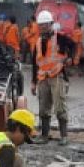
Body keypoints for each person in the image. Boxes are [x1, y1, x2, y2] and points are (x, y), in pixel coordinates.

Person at [33, 10, 75, 143]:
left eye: (45, 25)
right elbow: (35, 64)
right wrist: (33, 82)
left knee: (60, 106)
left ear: (51, 24)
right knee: (43, 107)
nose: (43, 28)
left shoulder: (60, 38)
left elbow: (73, 46)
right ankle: (44, 135)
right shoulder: (38, 42)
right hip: (43, 78)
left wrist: (70, 58)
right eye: (41, 25)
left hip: (57, 76)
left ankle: (64, 136)